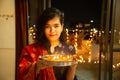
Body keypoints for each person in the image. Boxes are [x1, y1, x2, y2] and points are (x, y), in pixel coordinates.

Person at [17, 8, 77, 80]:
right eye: (47, 26)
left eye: (56, 26)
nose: (52, 30)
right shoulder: (30, 50)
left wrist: (73, 67)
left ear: (62, 27)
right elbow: (22, 75)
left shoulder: (69, 49)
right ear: (43, 28)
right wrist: (36, 67)